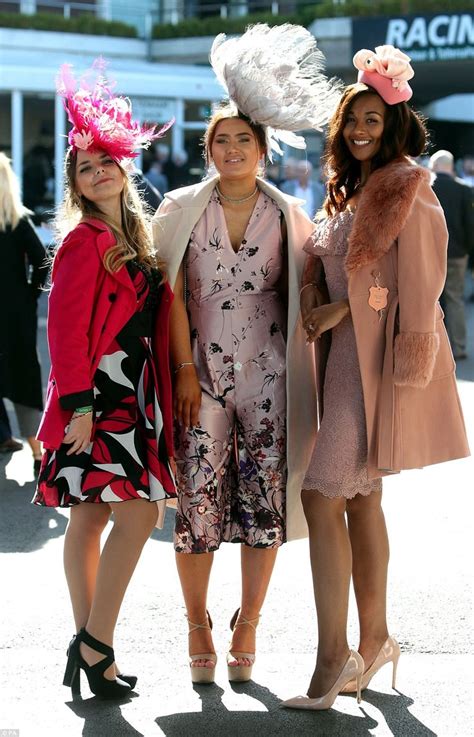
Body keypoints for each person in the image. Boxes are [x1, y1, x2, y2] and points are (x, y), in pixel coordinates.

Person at [282, 44, 470, 711]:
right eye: (352, 120)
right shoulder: (352, 188)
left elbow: (423, 286)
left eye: (373, 119)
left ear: (393, 125)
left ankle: (335, 657)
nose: (361, 129)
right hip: (339, 365)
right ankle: (379, 637)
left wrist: (348, 310)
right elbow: (333, 263)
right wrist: (316, 298)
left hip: (373, 370)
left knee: (320, 495)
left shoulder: (407, 188)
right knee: (359, 501)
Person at [153, 23, 339, 685]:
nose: (231, 149)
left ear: (262, 148)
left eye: (242, 140)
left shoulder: (292, 213)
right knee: (198, 508)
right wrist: (179, 372)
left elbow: (314, 288)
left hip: (270, 384)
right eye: (220, 141)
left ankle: (249, 622)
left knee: (266, 510)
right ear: (207, 149)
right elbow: (167, 296)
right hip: (197, 380)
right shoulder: (178, 208)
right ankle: (198, 621)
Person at [32, 60, 176, 699]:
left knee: (90, 517)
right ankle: (95, 642)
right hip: (99, 395)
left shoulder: (132, 240)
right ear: (76, 185)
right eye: (84, 167)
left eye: (104, 161)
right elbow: (62, 333)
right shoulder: (83, 241)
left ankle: (92, 653)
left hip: (132, 392)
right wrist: (79, 406)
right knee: (140, 511)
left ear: (123, 165)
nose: (97, 172)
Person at [0, 152, 47, 470]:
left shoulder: (17, 220)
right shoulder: (17, 221)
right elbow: (42, 258)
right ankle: (36, 449)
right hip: (16, 311)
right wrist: (30, 293)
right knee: (24, 374)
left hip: (16, 309)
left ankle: (14, 438)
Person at [430, 150, 474, 360]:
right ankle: (459, 346)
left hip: (429, 253)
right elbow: (471, 225)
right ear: (451, 166)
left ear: (434, 166)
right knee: (455, 299)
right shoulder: (464, 190)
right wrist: (467, 251)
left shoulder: (427, 188)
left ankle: (433, 348)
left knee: (430, 300)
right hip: (457, 254)